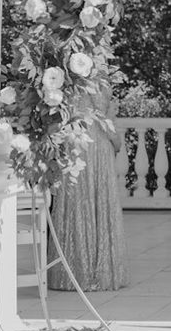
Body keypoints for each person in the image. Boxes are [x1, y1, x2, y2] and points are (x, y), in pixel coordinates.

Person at [48, 78, 128, 291]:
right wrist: (116, 141)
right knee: (95, 200)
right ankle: (99, 272)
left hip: (75, 143)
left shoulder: (64, 78)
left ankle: (72, 272)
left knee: (77, 202)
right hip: (97, 144)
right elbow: (104, 118)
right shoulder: (99, 79)